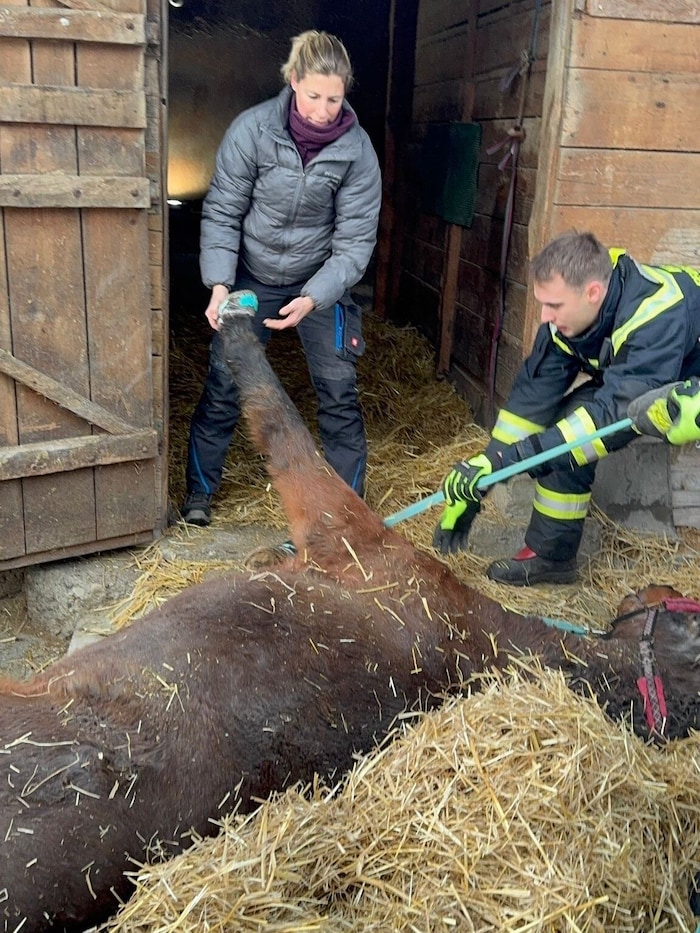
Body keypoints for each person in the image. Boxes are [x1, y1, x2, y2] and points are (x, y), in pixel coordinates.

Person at [182, 30, 382, 529]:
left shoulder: (358, 153)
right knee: (227, 380)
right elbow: (224, 211)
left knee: (338, 390)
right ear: (293, 82)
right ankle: (199, 496)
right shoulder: (252, 131)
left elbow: (354, 243)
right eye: (313, 95)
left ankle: (347, 517)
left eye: (334, 99)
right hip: (252, 275)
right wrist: (220, 283)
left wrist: (314, 297)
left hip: (320, 280)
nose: (322, 109)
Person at [434, 230, 700, 586]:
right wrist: (483, 481)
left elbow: (609, 422)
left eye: (554, 306)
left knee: (574, 436)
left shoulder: (654, 315)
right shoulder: (570, 317)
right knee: (566, 426)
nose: (544, 317)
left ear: (592, 293)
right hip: (645, 380)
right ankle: (551, 557)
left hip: (678, 376)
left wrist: (505, 464)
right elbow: (526, 409)